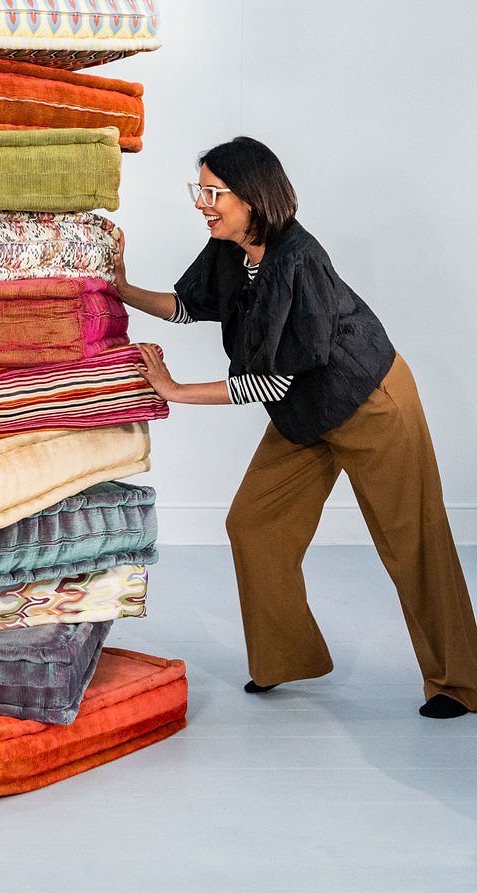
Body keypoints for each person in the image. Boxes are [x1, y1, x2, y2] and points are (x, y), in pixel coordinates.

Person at [115, 135, 477, 719]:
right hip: (305, 411)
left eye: (214, 192)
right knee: (254, 525)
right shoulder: (231, 247)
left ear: (253, 198)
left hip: (369, 403)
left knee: (412, 542)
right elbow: (189, 305)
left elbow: (271, 383)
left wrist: (176, 391)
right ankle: (288, 659)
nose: (202, 203)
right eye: (199, 190)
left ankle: (459, 683)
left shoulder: (297, 262)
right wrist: (122, 287)